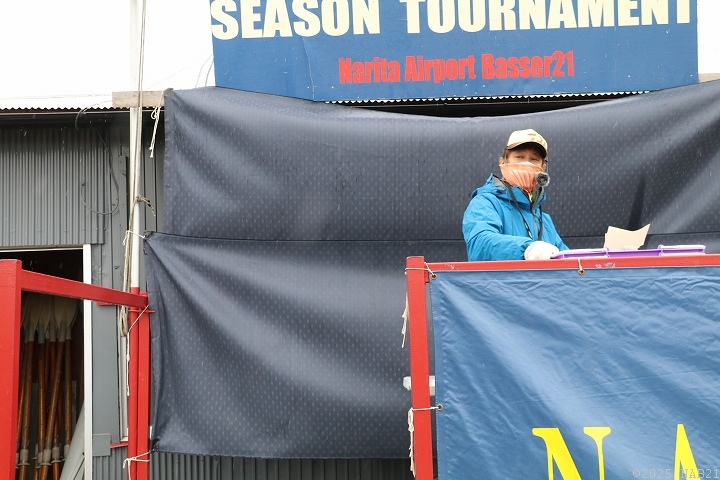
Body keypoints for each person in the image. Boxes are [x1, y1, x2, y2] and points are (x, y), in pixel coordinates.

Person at [462, 128, 569, 261]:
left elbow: (565, 258)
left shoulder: (544, 219)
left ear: (542, 168)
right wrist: (527, 249)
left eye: (534, 159)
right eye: (519, 157)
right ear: (503, 162)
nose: (527, 163)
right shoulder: (485, 203)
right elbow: (480, 244)